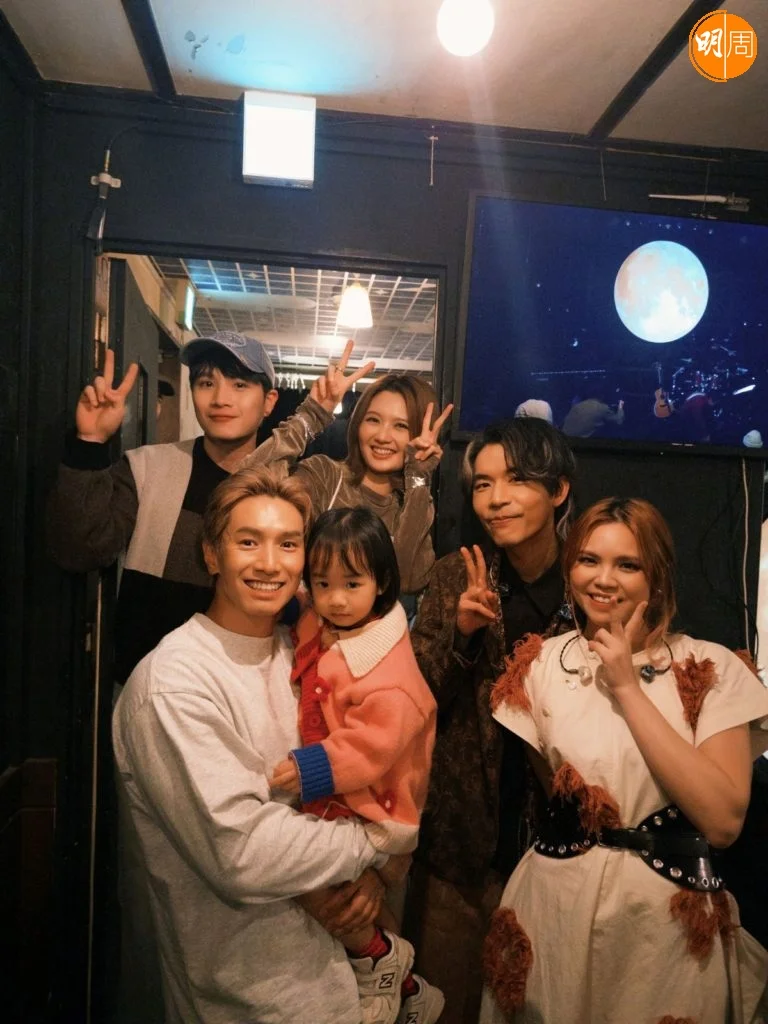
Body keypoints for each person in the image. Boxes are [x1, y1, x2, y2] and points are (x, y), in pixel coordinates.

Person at [113, 467, 411, 1024]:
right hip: (250, 997)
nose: (270, 564)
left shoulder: (307, 654)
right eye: (248, 542)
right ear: (211, 554)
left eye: (289, 544)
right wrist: (378, 844)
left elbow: (370, 768)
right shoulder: (173, 682)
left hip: (343, 982)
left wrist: (374, 869)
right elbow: (242, 851)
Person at [481, 497, 768, 1023]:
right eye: (588, 559)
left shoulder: (710, 667)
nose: (603, 579)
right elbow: (558, 793)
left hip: (665, 926)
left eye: (627, 564)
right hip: (555, 909)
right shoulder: (540, 665)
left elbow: (723, 821)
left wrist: (627, 688)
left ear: (656, 578)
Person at [47, 331, 370, 685]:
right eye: (206, 383)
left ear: (269, 401)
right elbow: (79, 551)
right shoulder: (149, 468)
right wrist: (90, 442)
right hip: (150, 686)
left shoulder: (291, 491)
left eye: (239, 385)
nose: (220, 399)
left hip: (260, 686)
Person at [406, 417, 577, 1024]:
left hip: (562, 853)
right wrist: (462, 636)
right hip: (460, 850)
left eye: (517, 480)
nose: (496, 499)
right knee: (443, 1004)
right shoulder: (456, 573)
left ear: (558, 490)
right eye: (482, 484)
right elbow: (413, 697)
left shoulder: (591, 582)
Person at [269, 506, 444, 1024]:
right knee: (353, 899)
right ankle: (408, 987)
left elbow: (372, 748)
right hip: (352, 796)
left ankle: (380, 960)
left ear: (382, 582)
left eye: (352, 584)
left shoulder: (388, 671)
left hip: (377, 805)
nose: (336, 599)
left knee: (316, 886)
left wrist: (313, 768)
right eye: (322, 583)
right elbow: (303, 614)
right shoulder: (326, 621)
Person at [247, 372, 453, 596]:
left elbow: (406, 582)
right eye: (373, 420)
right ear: (357, 424)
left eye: (401, 426)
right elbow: (246, 484)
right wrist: (311, 416)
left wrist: (418, 478)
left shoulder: (412, 503)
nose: (382, 436)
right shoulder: (326, 476)